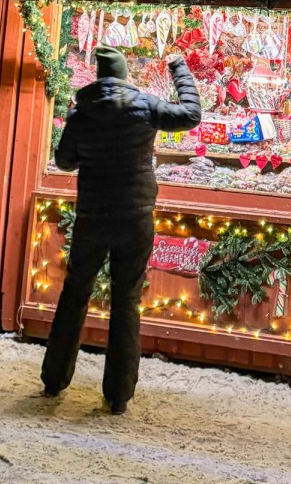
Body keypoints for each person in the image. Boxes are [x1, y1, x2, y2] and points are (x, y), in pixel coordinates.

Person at [40, 44, 201, 414]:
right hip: (134, 217)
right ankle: (117, 396)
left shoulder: (82, 112)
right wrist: (178, 66)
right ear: (125, 75)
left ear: (99, 77)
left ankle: (54, 379)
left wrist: (86, 145)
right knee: (126, 301)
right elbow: (191, 114)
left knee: (75, 294)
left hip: (92, 218)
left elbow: (64, 161)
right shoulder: (144, 106)